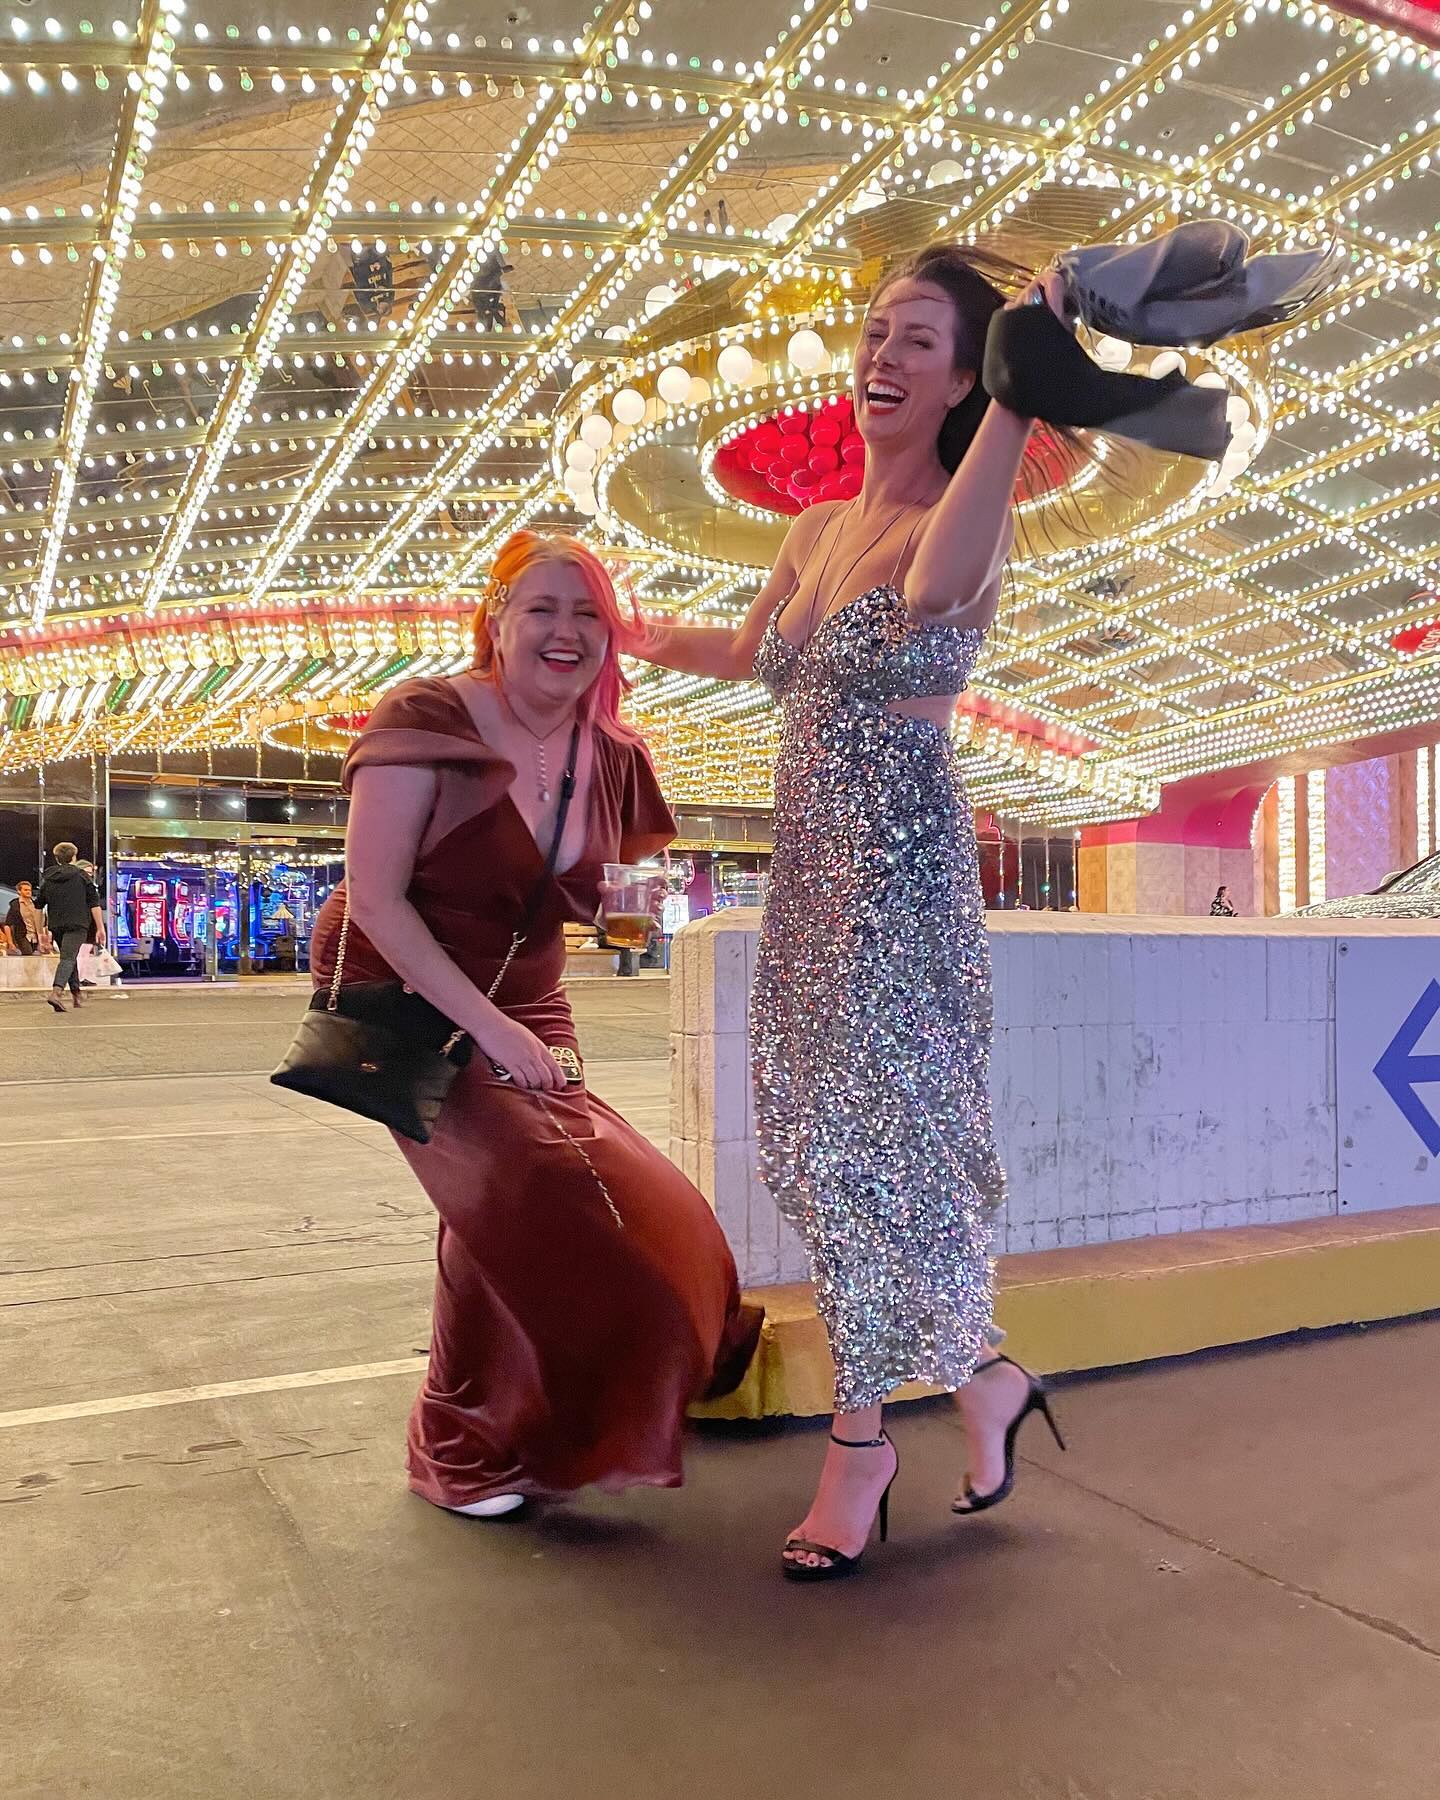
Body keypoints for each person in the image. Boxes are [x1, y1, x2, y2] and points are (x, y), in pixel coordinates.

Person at [624, 245, 1071, 1580]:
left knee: (871, 1153)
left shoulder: (962, 522)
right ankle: (985, 1380)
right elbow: (753, 652)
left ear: (966, 379)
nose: (883, 355)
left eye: (919, 339)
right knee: (824, 1149)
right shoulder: (814, 527)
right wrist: (628, 631)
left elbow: (931, 598)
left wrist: (1023, 394)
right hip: (813, 881)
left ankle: (861, 1448)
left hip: (902, 880)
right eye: (877, 331)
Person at [310, 528, 761, 1518]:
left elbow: (617, 895)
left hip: (530, 993)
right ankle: (488, 1439)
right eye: (544, 608)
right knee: (541, 1188)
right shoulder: (426, 717)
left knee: (581, 1216)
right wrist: (493, 1032)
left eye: (589, 613)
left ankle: (463, 1443)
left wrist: (627, 909)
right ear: (498, 616)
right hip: (394, 981)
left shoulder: (616, 754)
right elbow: (376, 899)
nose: (568, 631)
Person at [34, 844, 105, 1014]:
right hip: (78, 924)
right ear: (74, 857)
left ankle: (76, 994)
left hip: (57, 925)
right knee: (68, 958)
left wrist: (40, 933)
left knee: (68, 956)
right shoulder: (82, 876)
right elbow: (94, 904)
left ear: (57, 858)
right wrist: (100, 927)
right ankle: (56, 993)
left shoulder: (48, 878)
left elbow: (38, 907)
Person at [5, 879, 49, 956]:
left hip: (36, 938)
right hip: (22, 936)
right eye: (25, 890)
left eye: (29, 890)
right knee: (28, 953)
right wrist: (10, 942)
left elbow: (44, 924)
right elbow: (8, 925)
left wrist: (46, 940)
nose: (28, 892)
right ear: (19, 891)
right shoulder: (15, 905)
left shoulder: (36, 904)